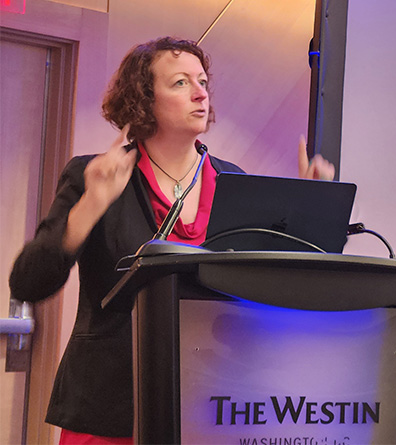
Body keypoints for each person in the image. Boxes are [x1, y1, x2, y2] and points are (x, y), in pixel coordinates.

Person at [9, 37, 334, 443]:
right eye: (181, 82)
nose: (200, 93)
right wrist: (91, 204)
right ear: (145, 100)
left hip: (210, 405)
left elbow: (265, 288)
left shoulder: (235, 182)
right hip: (110, 406)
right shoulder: (95, 174)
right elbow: (28, 282)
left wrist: (304, 211)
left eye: (202, 81)